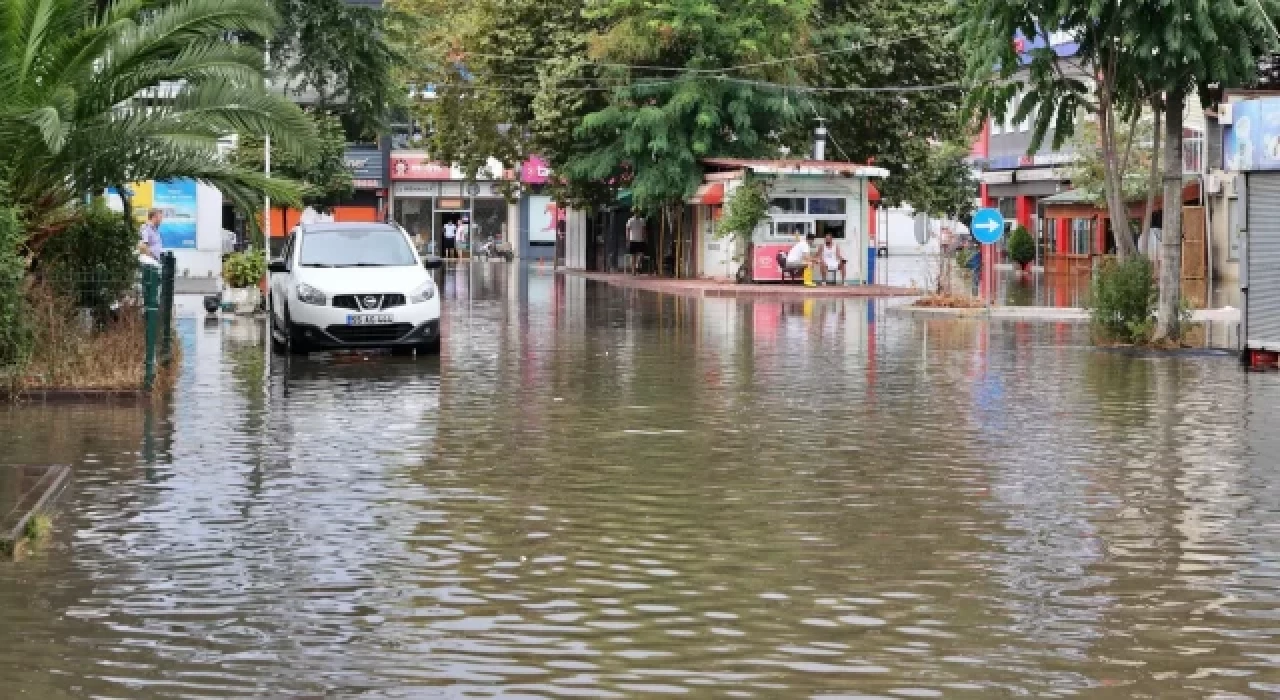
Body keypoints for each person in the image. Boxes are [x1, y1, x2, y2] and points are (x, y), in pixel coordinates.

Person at [626, 211, 647, 275]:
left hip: (640, 240)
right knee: (633, 255)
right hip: (632, 239)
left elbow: (644, 230)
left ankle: (637, 265)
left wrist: (644, 238)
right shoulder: (630, 220)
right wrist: (628, 239)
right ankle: (633, 270)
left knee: (641, 254)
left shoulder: (642, 220)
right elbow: (628, 230)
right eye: (636, 212)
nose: (637, 213)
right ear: (634, 213)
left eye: (638, 212)